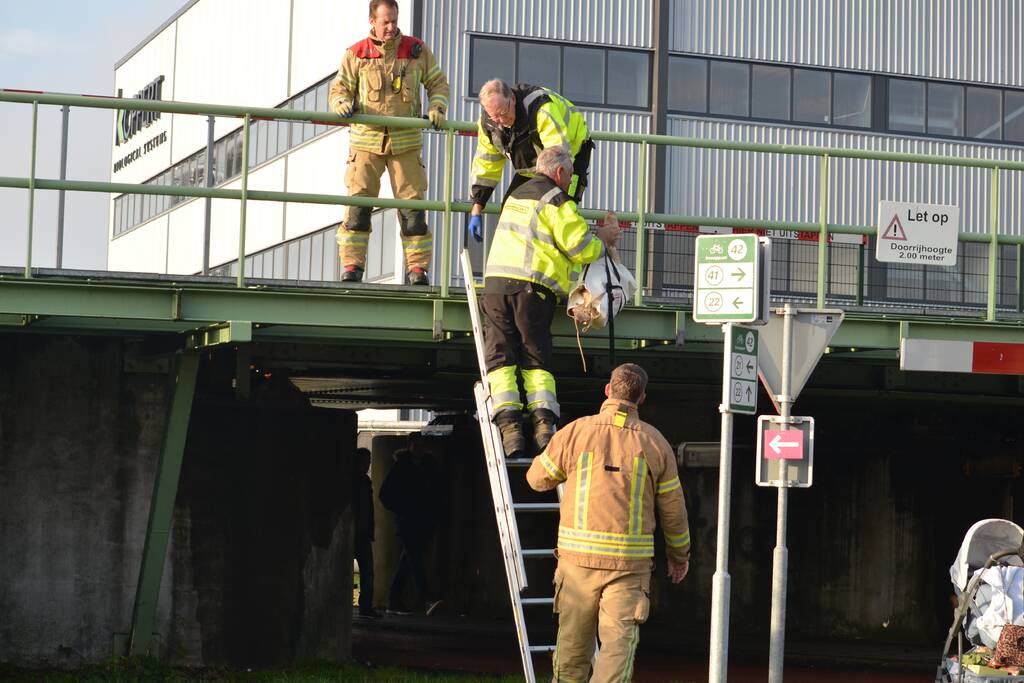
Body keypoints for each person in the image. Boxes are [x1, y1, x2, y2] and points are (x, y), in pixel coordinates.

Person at [526, 363, 691, 683]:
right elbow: (674, 510)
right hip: (629, 567)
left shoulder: (576, 432)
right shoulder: (655, 443)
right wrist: (679, 556)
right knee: (617, 647)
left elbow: (536, 479)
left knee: (572, 647)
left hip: (577, 564)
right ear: (642, 398)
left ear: (607, 390)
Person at [481, 146, 620, 459]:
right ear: (559, 172)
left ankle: (509, 430)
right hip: (532, 288)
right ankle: (544, 426)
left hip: (495, 286)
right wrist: (603, 242)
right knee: (535, 358)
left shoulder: (515, 196)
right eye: (570, 175)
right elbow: (580, 247)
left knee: (500, 359)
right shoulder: (557, 200)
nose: (570, 181)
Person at [328, 0, 450, 285]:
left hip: (406, 144)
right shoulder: (356, 53)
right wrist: (341, 102)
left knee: (413, 210)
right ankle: (352, 267)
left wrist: (437, 108)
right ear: (372, 21)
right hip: (365, 143)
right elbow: (338, 89)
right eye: (386, 22)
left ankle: (417, 269)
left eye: (394, 21)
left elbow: (438, 84)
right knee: (358, 207)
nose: (392, 27)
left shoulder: (416, 50)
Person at [466, 79, 594, 243]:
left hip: (571, 155)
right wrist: (477, 208)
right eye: (494, 116)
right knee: (511, 208)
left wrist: (551, 196)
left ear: (512, 99)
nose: (500, 121)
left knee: (560, 210)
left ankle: (568, 252)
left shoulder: (540, 108)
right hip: (533, 166)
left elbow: (558, 156)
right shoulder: (489, 125)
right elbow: (487, 165)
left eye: (503, 113)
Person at [378, 435, 442, 615]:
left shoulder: (427, 467)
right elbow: (385, 494)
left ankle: (394, 600)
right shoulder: (403, 467)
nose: (419, 449)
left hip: (421, 521)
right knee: (414, 559)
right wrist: (403, 509)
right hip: (408, 522)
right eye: (416, 446)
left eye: (421, 446)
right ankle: (426, 597)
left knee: (408, 561)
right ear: (409, 447)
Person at [352, 448, 379, 618]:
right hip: (359, 533)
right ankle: (365, 607)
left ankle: (365, 606)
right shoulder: (361, 482)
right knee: (367, 571)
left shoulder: (363, 482)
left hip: (360, 533)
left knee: (368, 571)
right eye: (365, 461)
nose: (367, 464)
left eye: (368, 461)